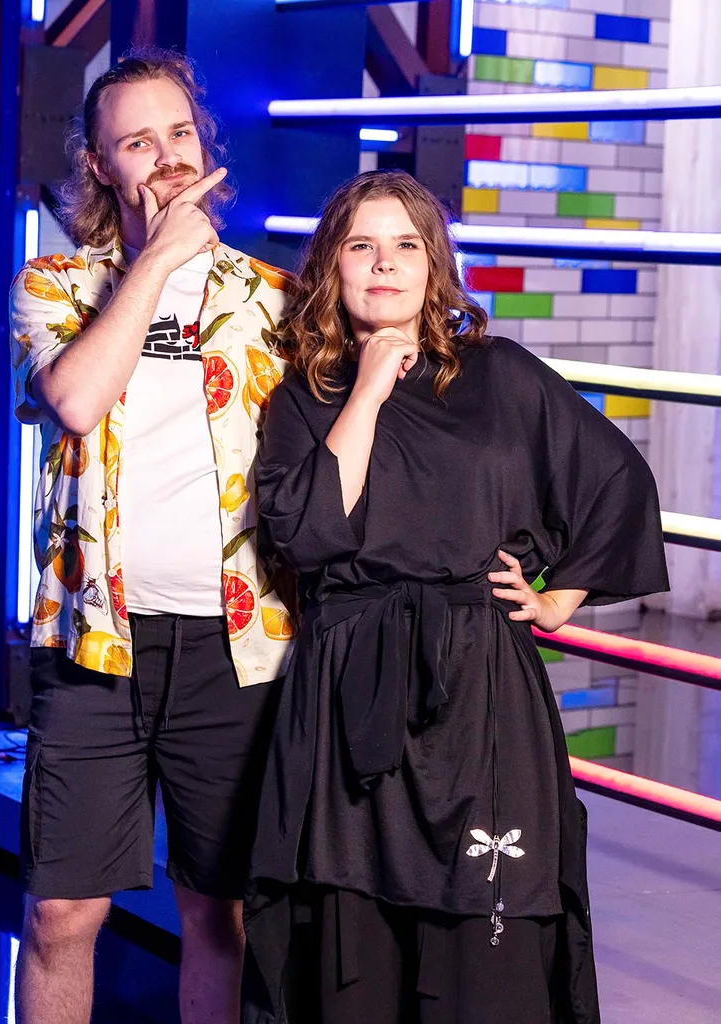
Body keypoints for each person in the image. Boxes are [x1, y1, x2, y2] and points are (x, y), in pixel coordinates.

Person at [242, 169, 669, 1024]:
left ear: (435, 266)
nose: (385, 263)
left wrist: (559, 599)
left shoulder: (499, 376)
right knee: (354, 953)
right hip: (346, 691)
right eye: (361, 245)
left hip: (479, 691)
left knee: (489, 943)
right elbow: (311, 532)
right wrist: (366, 385)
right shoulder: (301, 396)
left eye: (406, 245)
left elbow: (615, 480)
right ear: (332, 267)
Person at [8, 48, 294, 1024]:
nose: (167, 157)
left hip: (236, 650)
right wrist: (160, 259)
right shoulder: (53, 284)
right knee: (60, 913)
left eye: (179, 134)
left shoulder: (277, 303)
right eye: (137, 141)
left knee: (219, 913)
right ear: (99, 166)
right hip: (95, 646)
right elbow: (78, 398)